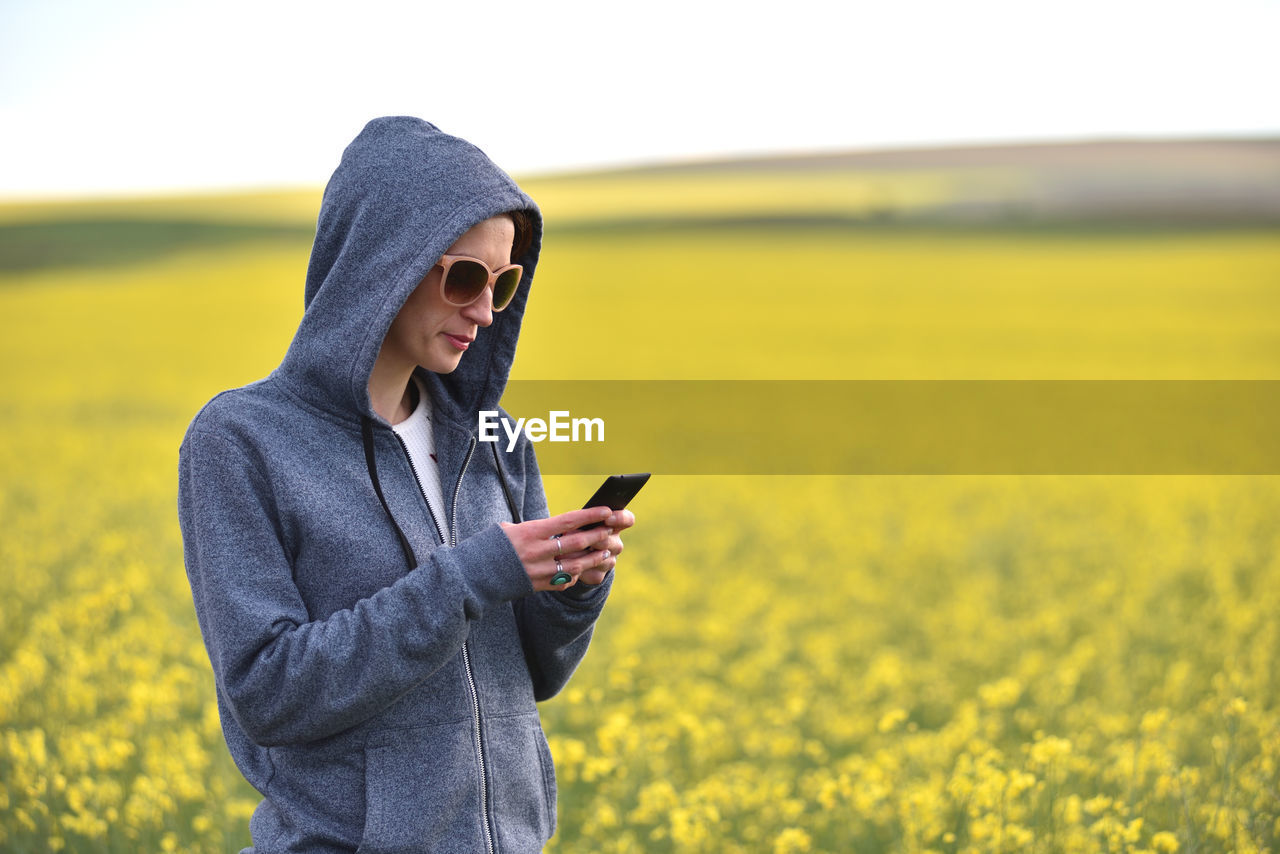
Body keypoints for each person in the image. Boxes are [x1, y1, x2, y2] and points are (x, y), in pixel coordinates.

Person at [177, 116, 634, 853]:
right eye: (464, 277)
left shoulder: (500, 442)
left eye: (504, 282)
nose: (486, 311)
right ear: (382, 262)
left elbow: (533, 678)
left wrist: (572, 586)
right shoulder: (241, 441)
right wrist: (474, 574)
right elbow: (267, 693)